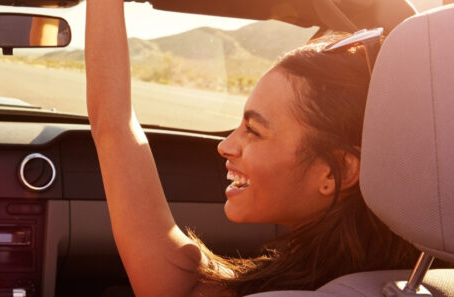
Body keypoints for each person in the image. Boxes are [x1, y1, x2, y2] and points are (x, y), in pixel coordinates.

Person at [85, 1, 420, 296]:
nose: (225, 145)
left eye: (254, 131)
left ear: (337, 171)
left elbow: (112, 128)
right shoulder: (425, 279)